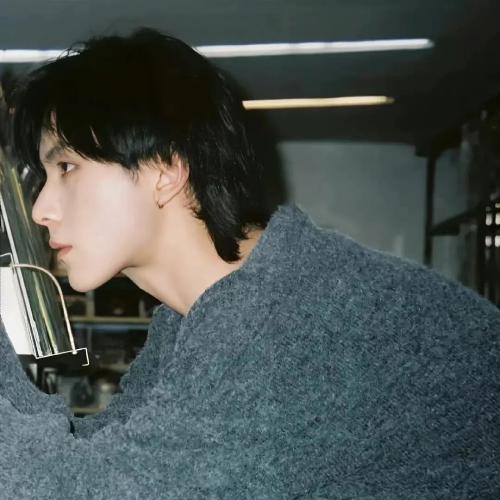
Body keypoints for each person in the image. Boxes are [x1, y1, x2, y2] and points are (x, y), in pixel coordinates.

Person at [0, 27, 498, 499]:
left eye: (66, 167)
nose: (41, 209)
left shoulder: (293, 321)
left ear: (166, 170)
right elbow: (90, 452)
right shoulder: (211, 312)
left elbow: (78, 491)